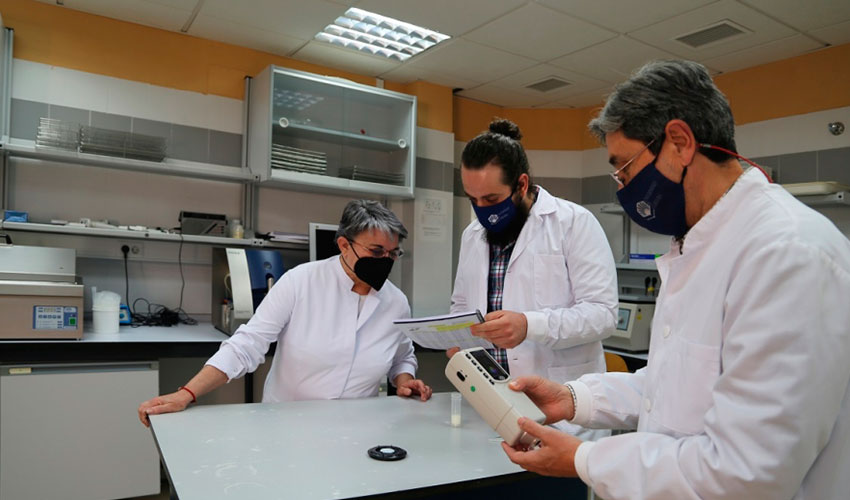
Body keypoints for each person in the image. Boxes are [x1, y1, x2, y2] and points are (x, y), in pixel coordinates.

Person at [501, 60, 850, 500]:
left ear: (680, 143)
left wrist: (583, 460)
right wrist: (573, 399)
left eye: (624, 168)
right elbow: (671, 387)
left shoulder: (785, 254)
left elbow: (747, 473)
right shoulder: (698, 245)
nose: (623, 185)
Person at [138, 200, 432, 426]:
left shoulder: (396, 301)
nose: (386, 260)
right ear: (344, 245)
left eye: (393, 253)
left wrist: (405, 380)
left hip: (358, 427)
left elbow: (401, 355)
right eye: (377, 251)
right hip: (289, 424)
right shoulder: (300, 282)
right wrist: (186, 394)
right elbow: (246, 346)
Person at [451, 118, 618, 440]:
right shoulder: (472, 235)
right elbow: (461, 304)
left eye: (491, 199)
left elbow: (603, 314)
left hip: (561, 407)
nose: (481, 210)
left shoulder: (573, 223)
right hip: (492, 398)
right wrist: (457, 340)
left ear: (522, 184)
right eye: (473, 199)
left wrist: (530, 325)